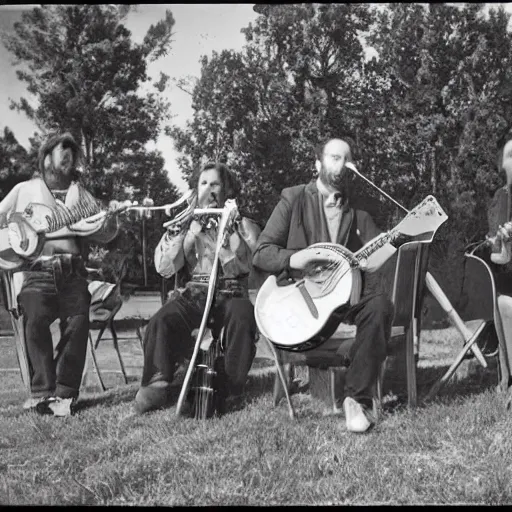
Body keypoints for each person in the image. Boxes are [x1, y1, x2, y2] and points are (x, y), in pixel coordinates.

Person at [252, 138, 399, 433]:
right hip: (304, 300)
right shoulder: (293, 199)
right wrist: (298, 257)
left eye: (347, 159)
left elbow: (378, 254)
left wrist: (396, 241)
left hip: (343, 298)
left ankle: (356, 398)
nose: (341, 165)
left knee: (380, 305)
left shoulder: (359, 209)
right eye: (334, 157)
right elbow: (261, 253)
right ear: (318, 164)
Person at [0, 132, 121, 417]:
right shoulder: (23, 190)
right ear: (45, 159)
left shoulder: (84, 196)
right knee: (35, 318)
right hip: (37, 272)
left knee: (77, 324)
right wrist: (14, 239)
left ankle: (65, 395)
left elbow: (105, 234)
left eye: (71, 151)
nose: (68, 153)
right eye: (61, 149)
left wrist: (112, 216)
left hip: (73, 273)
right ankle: (42, 393)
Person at [134, 162, 261, 415]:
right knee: (162, 319)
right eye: (204, 183)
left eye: (215, 184)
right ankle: (156, 384)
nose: (209, 190)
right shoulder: (186, 222)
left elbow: (250, 264)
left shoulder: (243, 223)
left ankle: (231, 385)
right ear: (195, 189)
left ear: (227, 190)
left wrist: (229, 233)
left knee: (243, 315)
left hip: (230, 290)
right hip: (196, 291)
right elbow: (166, 267)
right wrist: (189, 233)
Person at [484, 132, 512, 407]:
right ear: (502, 166)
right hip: (509, 275)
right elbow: (497, 256)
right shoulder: (501, 199)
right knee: (506, 304)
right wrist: (503, 240)